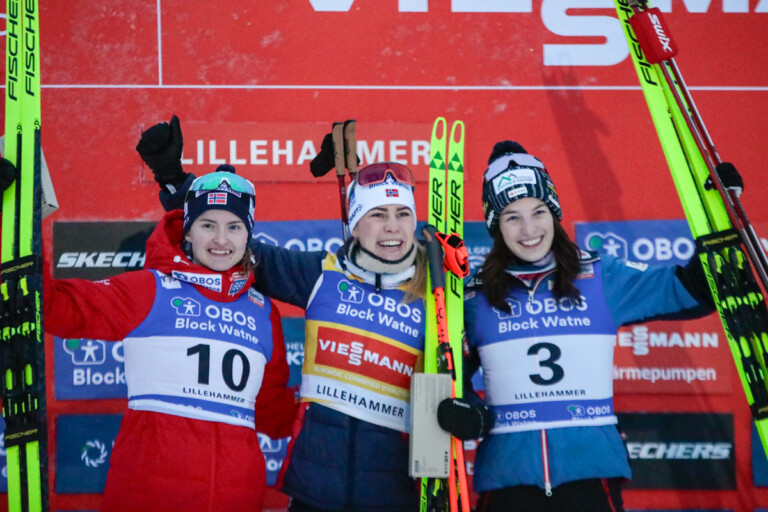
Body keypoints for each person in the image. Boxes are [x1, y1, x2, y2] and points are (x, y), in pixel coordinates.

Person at [136, 116, 429, 512]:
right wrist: (178, 185)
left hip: (396, 495)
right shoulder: (321, 275)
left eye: (402, 214)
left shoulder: (439, 295)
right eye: (377, 215)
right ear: (355, 225)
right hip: (314, 491)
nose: (391, 228)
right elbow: (231, 244)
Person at [436, 141, 729, 512]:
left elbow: (689, 290)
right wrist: (465, 409)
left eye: (538, 211)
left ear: (554, 212)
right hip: (508, 483)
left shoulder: (600, 277)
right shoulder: (474, 298)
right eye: (512, 217)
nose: (529, 229)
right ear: (496, 226)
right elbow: (448, 381)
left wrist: (720, 216)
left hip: (590, 480)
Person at [44, 168, 297, 512]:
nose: (221, 239)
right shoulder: (150, 290)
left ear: (248, 234)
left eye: (234, 227)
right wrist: (15, 224)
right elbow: (54, 306)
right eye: (208, 225)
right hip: (148, 496)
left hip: (238, 497)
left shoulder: (263, 312)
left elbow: (274, 412)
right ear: (188, 231)